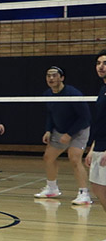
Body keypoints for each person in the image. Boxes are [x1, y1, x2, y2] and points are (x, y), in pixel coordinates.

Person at [37, 66, 91, 204]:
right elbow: (50, 113)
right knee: (48, 157)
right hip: (60, 130)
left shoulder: (73, 94)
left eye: (54, 75)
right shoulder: (47, 94)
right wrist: (48, 130)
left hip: (79, 129)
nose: (51, 78)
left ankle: (84, 194)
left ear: (62, 78)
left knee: (74, 159)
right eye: (48, 75)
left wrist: (69, 134)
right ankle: (52, 188)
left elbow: (85, 118)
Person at [86, 52, 106, 241]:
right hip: (99, 146)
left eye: (105, 63)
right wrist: (92, 148)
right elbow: (100, 123)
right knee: (99, 189)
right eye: (99, 63)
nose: (101, 66)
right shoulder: (103, 89)